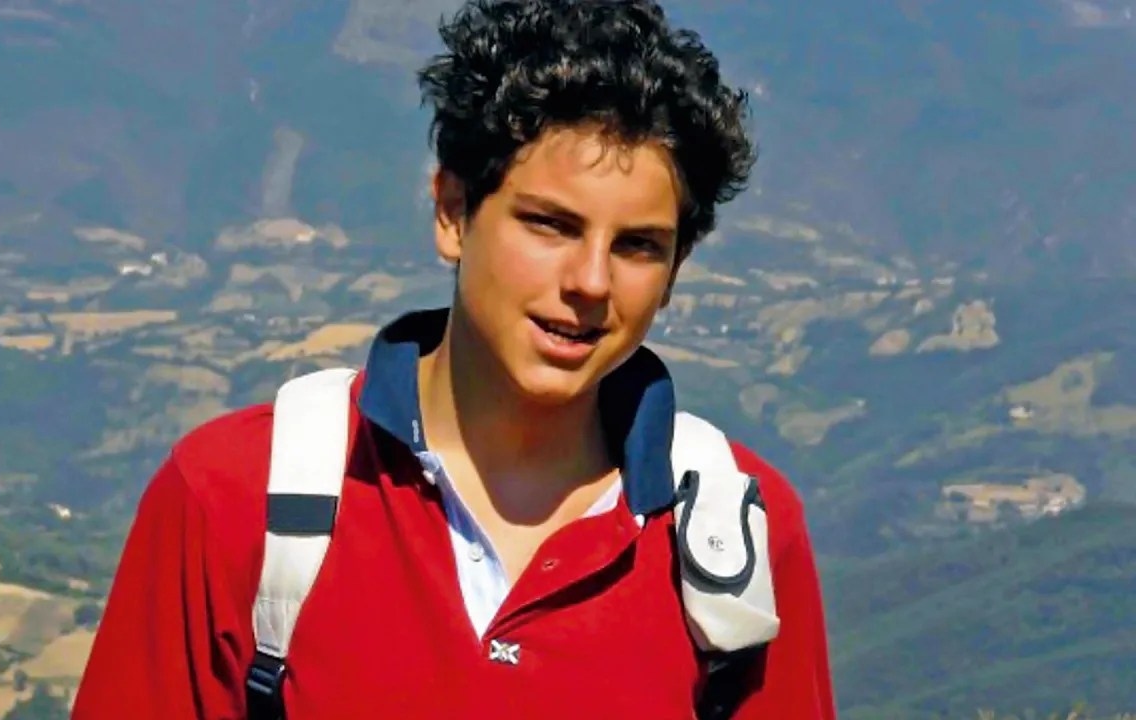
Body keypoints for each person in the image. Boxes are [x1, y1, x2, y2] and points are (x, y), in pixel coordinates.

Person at [72, 0, 836, 717]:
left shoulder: (736, 541)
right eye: (550, 225)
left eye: (638, 246)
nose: (591, 282)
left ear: (674, 272)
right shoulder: (233, 499)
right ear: (452, 212)